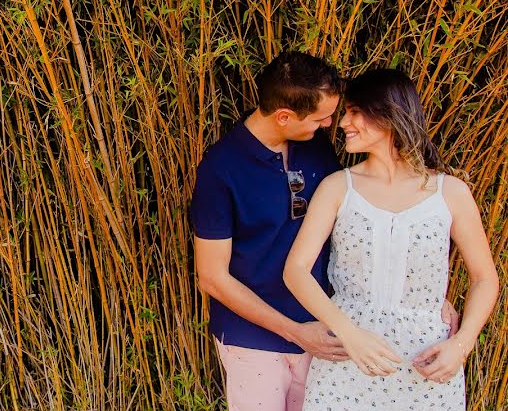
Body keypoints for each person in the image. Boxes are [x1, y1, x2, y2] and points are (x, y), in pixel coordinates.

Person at [190, 52, 459, 411]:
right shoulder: (220, 169)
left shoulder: (315, 147)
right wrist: (294, 331)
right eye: (322, 117)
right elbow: (211, 277)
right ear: (284, 116)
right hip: (254, 339)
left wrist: (419, 293)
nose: (333, 123)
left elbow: (356, 230)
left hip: (326, 328)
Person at [284, 68, 499, 410]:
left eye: (354, 112)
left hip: (426, 365)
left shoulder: (450, 192)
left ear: (389, 115)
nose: (342, 124)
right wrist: (350, 335)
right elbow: (295, 270)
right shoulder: (338, 187)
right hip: (346, 362)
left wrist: (462, 344)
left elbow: (485, 278)